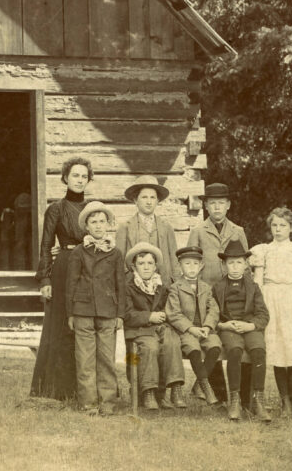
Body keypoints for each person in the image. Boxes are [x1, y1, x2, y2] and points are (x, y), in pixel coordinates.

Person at [29, 157, 92, 401]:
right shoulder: (56, 208)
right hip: (63, 270)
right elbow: (46, 245)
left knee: (83, 327)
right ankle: (54, 390)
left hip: (88, 269)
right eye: (75, 175)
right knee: (59, 328)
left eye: (84, 176)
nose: (79, 180)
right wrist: (44, 279)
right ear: (66, 177)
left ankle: (83, 389)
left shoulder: (92, 208)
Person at [185, 182, 248, 401]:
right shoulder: (198, 232)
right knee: (212, 339)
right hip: (207, 298)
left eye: (221, 203)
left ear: (228, 205)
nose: (217, 208)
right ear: (206, 206)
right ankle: (218, 395)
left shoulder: (238, 231)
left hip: (232, 297)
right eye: (213, 204)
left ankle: (238, 393)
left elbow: (244, 266)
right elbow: (191, 266)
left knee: (232, 340)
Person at [250, 207, 292, 418]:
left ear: (291, 227)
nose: (278, 229)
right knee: (278, 351)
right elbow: (258, 282)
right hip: (270, 300)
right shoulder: (263, 251)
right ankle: (284, 402)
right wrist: (259, 307)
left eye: (283, 226)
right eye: (275, 225)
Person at [66, 201, 126, 416]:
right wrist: (70, 313)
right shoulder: (79, 253)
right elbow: (71, 284)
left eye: (102, 221)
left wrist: (120, 314)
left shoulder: (116, 253)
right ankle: (88, 403)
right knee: (85, 360)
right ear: (87, 227)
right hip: (82, 311)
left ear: (108, 225)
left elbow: (121, 285)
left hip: (108, 312)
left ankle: (108, 402)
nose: (99, 226)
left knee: (107, 359)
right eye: (94, 222)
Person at [212, 239, 271, 422]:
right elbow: (212, 315)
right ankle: (235, 401)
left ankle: (257, 401)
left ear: (246, 265)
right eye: (231, 263)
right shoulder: (218, 288)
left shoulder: (253, 287)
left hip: (249, 326)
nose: (235, 267)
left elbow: (263, 314)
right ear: (224, 265)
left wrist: (251, 325)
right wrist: (223, 325)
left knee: (259, 350)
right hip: (229, 328)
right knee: (235, 351)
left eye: (239, 262)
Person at [123, 242, 186, 411]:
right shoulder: (128, 286)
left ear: (156, 266)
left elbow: (169, 307)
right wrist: (149, 316)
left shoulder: (160, 286)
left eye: (150, 263)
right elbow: (127, 314)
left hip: (159, 327)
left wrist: (166, 314)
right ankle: (149, 392)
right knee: (150, 347)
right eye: (141, 263)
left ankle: (174, 388)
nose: (146, 267)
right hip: (139, 330)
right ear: (134, 266)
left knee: (172, 342)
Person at [165, 245, 223, 410]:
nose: (191, 268)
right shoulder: (176, 288)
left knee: (215, 346)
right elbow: (174, 314)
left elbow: (214, 309)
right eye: (187, 264)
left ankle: (198, 384)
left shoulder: (205, 287)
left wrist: (207, 326)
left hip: (204, 329)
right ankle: (206, 387)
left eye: (195, 264)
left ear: (201, 266)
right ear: (180, 266)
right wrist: (191, 328)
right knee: (194, 348)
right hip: (187, 331)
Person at [116, 175, 179, 286]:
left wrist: (176, 285)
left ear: (157, 201)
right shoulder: (125, 227)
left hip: (163, 286)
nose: (149, 202)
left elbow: (174, 261)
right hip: (134, 287)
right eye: (144, 197)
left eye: (152, 197)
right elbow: (119, 262)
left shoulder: (166, 227)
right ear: (136, 200)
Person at [0, 192, 32, 271]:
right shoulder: (11, 214)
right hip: (18, 237)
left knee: (21, 250)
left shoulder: (24, 213)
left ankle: (21, 269)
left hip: (23, 237)